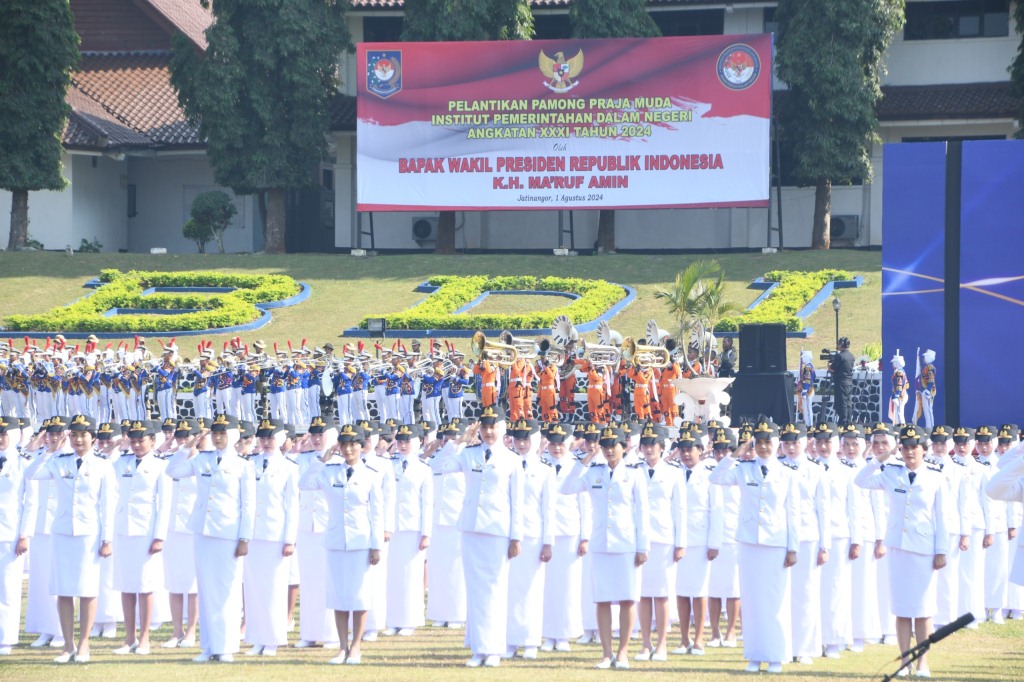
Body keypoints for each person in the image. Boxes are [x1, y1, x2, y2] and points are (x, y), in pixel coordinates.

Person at [425, 407, 524, 668]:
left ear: (502, 429)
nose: (489, 432)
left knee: (494, 590)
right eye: (485, 427)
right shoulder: (468, 454)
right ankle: (478, 648)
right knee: (476, 591)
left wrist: (516, 537)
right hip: (470, 529)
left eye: (493, 427)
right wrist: (459, 441)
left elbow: (518, 502)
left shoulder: (512, 460)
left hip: (498, 531)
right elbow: (437, 466)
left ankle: (492, 649)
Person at [858, 424, 950, 676]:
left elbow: (943, 517)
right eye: (905, 448)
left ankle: (922, 662)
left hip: (923, 550)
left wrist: (941, 550)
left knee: (923, 610)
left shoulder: (936, 476)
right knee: (901, 609)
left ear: (924, 449)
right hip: (898, 548)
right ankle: (904, 662)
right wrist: (883, 457)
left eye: (914, 447)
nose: (910, 452)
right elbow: (860, 480)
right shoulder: (890, 473)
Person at [709, 420, 799, 675]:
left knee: (775, 602)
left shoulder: (786, 474)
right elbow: (716, 477)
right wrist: (738, 451)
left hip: (776, 544)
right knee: (751, 602)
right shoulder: (743, 469)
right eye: (758, 442)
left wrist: (793, 547)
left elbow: (793, 512)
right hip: (749, 542)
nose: (762, 447)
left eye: (767, 442)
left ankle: (776, 656)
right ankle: (754, 655)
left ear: (776, 443)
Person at [25, 414, 117, 664]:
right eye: (74, 435)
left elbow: (108, 504)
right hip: (63, 532)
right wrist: (49, 451)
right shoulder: (59, 461)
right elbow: (31, 474)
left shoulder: (103, 464)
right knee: (64, 591)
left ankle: (84, 643)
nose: (78, 439)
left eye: (83, 435)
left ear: (93, 438)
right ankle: (68, 645)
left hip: (89, 534)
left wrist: (107, 538)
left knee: (87, 591)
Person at [166, 413, 255, 664]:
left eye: (222, 433)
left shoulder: (243, 465)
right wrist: (187, 447)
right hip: (202, 531)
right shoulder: (201, 459)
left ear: (233, 436)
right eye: (215, 433)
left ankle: (225, 646)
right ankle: (208, 646)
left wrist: (245, 537)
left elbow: (248, 505)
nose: (217, 438)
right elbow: (172, 471)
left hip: (229, 534)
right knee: (205, 589)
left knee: (227, 590)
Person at [560, 425, 649, 670]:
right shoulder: (592, 472)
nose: (610, 450)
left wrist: (643, 546)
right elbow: (566, 488)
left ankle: (623, 653)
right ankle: (606, 653)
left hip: (627, 544)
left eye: (614, 445)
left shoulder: (635, 473)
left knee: (627, 599)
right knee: (602, 600)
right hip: (600, 543)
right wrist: (585, 461)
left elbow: (642, 512)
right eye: (606, 446)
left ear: (624, 446)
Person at [297, 424, 383, 664]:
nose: (347, 449)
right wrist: (322, 460)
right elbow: (304, 483)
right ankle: (342, 647)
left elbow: (377, 513)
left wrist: (376, 545)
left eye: (352, 444)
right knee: (338, 597)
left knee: (360, 596)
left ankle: (356, 646)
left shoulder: (371, 475)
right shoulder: (329, 471)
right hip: (335, 541)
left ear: (361, 446)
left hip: (361, 543)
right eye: (343, 444)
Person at [111, 420, 171, 656]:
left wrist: (159, 536)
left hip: (147, 533)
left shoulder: (160, 466)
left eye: (141, 440)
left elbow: (164, 504)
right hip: (123, 531)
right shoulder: (122, 462)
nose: (136, 444)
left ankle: (145, 638)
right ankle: (129, 638)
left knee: (145, 587)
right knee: (126, 587)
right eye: (133, 440)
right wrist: (121, 447)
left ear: (152, 441)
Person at [244, 419, 299, 656]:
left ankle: (273, 640)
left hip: (276, 535)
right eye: (263, 437)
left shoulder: (290, 467)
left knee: (275, 589)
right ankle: (257, 637)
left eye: (270, 437)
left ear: (280, 438)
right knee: (254, 589)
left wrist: (289, 539)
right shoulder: (249, 464)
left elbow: (293, 506)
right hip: (253, 534)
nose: (266, 442)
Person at [779, 422, 830, 666]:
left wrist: (825, 545)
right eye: (786, 443)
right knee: (784, 594)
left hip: (809, 537)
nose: (790, 447)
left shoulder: (816, 470)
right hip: (781, 538)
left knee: (807, 594)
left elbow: (823, 508)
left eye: (794, 442)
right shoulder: (776, 469)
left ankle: (806, 647)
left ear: (805, 442)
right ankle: (785, 645)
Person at [634, 423, 685, 662]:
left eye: (652, 445)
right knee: (643, 594)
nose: (648, 449)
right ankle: (646, 644)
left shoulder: (674, 473)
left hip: (664, 539)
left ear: (662, 447)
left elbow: (680, 510)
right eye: (644, 445)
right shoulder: (633, 471)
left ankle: (662, 644)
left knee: (663, 594)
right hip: (639, 540)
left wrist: (680, 543)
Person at [505, 419, 554, 659]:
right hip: (507, 537)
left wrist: (548, 542)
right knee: (509, 590)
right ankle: (510, 641)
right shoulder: (505, 465)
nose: (522, 444)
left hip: (534, 537)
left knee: (531, 591)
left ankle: (531, 641)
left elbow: (549, 509)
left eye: (526, 439)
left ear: (535, 440)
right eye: (518, 439)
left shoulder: (545, 470)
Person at [540, 421, 590, 652]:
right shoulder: (541, 464)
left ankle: (564, 635)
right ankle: (548, 634)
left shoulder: (578, 466)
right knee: (546, 587)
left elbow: (585, 504)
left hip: (570, 533)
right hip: (545, 535)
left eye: (560, 444)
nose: (556, 448)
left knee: (568, 586)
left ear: (569, 443)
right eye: (552, 443)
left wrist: (585, 537)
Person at [385, 423, 433, 636]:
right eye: (401, 441)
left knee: (412, 576)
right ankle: (393, 620)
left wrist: (426, 533)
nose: (404, 445)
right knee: (393, 576)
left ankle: (410, 620)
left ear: (418, 442)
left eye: (408, 441)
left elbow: (427, 503)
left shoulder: (424, 469)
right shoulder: (389, 466)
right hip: (392, 528)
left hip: (413, 528)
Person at [425, 421, 467, 629]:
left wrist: (458, 445)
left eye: (455, 437)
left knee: (457, 572)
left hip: (457, 522)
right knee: (438, 570)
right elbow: (430, 467)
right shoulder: (438, 459)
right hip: (436, 521)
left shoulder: (467, 458)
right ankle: (440, 613)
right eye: (447, 437)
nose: (450, 441)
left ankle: (458, 614)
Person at [0, 415, 35, 656]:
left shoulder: (24, 462)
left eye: (4, 434)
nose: (1, 439)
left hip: (10, 534)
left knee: (9, 588)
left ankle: (6, 639)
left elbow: (31, 502)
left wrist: (25, 535)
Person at [829, 338, 855, 424]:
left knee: (842, 403)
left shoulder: (840, 356)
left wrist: (829, 365)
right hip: (849, 382)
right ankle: (849, 420)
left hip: (841, 383)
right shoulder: (851, 356)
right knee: (848, 402)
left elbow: (832, 369)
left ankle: (842, 422)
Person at [890, 352, 909, 426]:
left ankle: (901, 428)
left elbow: (899, 385)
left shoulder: (899, 373)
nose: (892, 365)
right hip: (902, 394)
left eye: (893, 363)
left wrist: (896, 395)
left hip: (900, 396)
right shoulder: (901, 371)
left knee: (900, 414)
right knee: (899, 413)